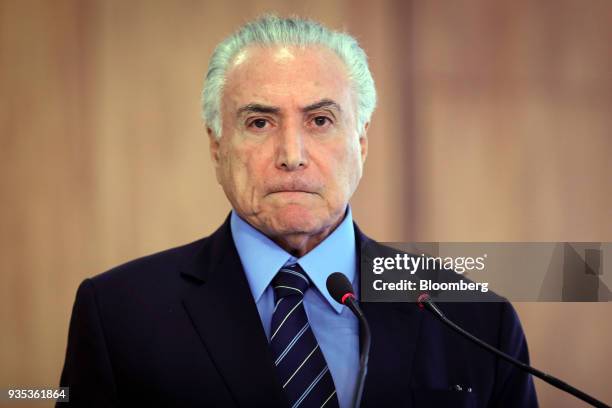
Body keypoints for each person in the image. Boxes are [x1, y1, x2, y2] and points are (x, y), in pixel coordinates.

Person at [58, 15, 537, 407]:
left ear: (362, 142)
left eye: (321, 120)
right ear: (216, 146)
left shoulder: (475, 319)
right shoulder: (118, 313)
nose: (291, 153)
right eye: (260, 121)